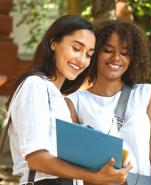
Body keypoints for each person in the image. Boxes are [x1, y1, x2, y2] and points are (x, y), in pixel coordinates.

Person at [6, 15, 132, 185]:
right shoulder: (35, 85)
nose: (82, 60)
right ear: (53, 43)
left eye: (89, 54)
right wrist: (95, 176)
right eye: (76, 48)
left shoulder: (58, 97)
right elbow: (36, 158)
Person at [65, 20, 151, 185]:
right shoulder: (75, 102)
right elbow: (73, 164)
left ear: (133, 58)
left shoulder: (147, 94)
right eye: (108, 50)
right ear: (95, 53)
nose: (116, 58)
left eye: (124, 53)